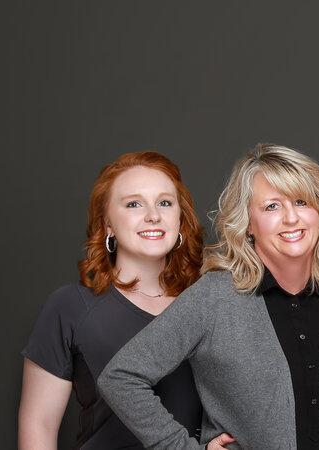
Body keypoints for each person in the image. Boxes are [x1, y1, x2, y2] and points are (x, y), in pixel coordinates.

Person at [99, 144, 319, 449]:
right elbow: (121, 377)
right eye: (272, 207)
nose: (291, 218)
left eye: (301, 202)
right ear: (249, 223)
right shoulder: (213, 298)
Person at [19, 151, 204, 449]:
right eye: (134, 204)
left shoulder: (209, 304)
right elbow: (38, 426)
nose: (153, 215)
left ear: (180, 219)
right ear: (108, 225)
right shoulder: (70, 307)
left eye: (164, 203)